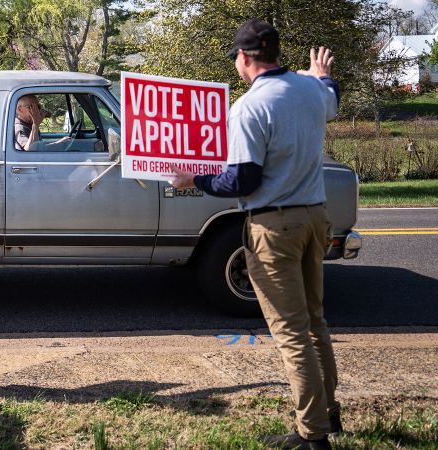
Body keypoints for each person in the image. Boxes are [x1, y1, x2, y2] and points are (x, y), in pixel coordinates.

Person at [169, 20, 342, 450]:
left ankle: (312, 435)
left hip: (274, 226)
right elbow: (332, 98)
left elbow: (243, 180)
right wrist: (322, 74)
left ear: (245, 58)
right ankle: (329, 414)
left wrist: (196, 179)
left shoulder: (249, 106)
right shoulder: (311, 91)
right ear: (276, 54)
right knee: (315, 323)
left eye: (238, 61)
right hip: (315, 217)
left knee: (291, 333)